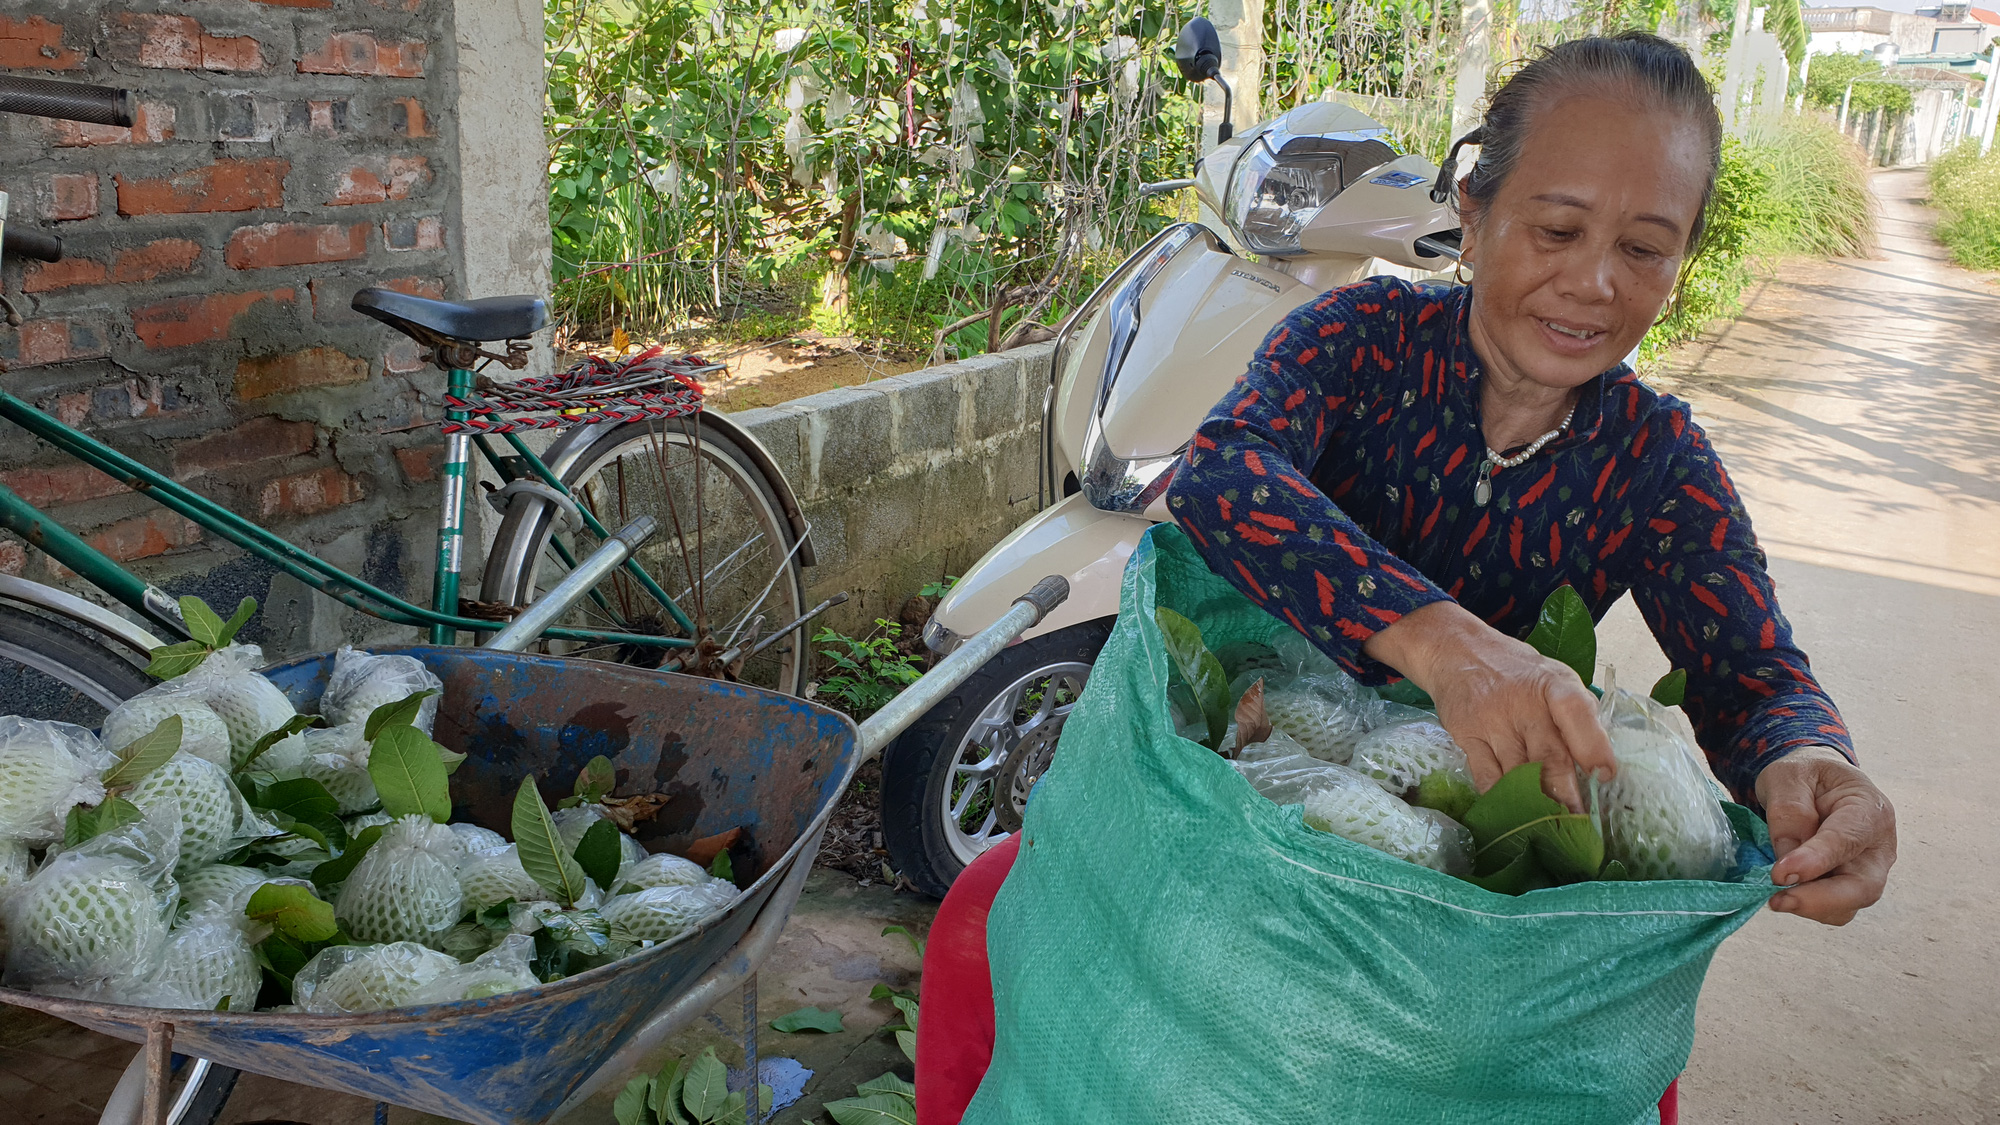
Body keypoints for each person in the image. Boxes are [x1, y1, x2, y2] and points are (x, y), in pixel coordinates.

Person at [1163, 31, 1894, 927]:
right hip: (1247, 785)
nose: (1593, 283)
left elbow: (1751, 674)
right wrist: (1445, 646)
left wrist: (1811, 757)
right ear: (1475, 212)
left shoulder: (1655, 463)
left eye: (1644, 249)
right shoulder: (1361, 338)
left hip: (1443, 886)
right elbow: (1222, 473)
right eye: (1557, 230)